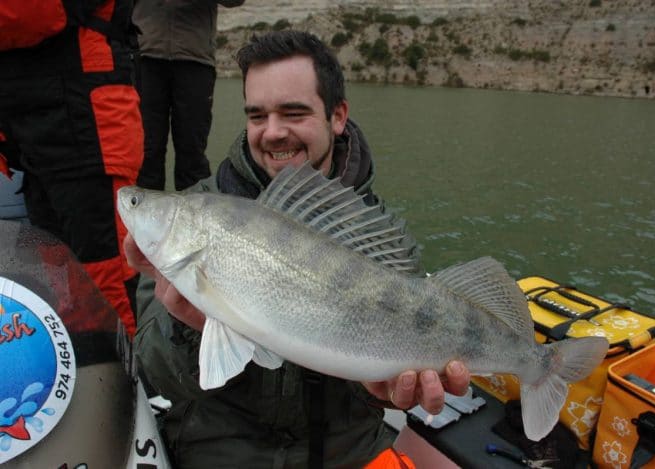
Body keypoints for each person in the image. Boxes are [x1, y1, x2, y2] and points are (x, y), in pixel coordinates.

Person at [124, 30, 472, 468]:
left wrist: (379, 391)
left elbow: (377, 370)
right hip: (222, 452)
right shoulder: (191, 216)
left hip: (345, 455)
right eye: (256, 116)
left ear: (338, 115)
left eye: (293, 112)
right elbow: (153, 369)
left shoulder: (379, 236)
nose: (272, 133)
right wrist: (188, 327)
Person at [0, 0, 144, 336]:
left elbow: (38, 11)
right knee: (55, 279)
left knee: (104, 278)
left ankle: (125, 382)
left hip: (86, 123)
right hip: (35, 131)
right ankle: (81, 374)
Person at [132, 0, 245, 191]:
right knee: (146, 152)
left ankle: (194, 218)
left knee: (192, 153)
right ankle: (142, 217)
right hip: (145, 58)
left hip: (195, 62)